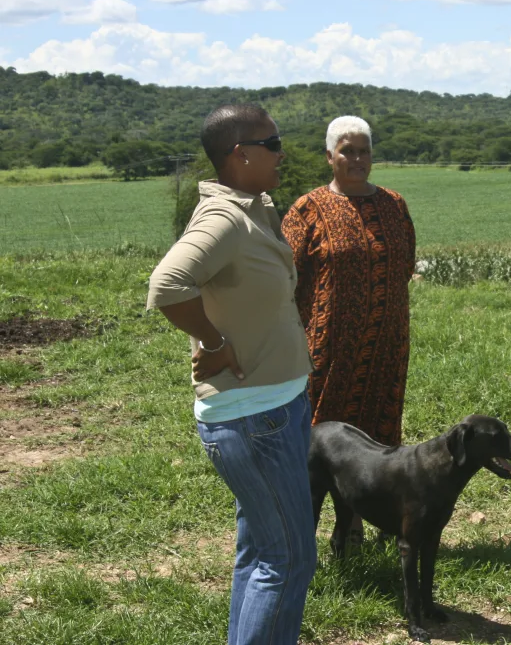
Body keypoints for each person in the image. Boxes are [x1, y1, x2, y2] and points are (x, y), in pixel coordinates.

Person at [147, 104, 317, 645]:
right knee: (288, 559)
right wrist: (215, 342)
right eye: (273, 142)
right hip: (253, 416)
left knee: (262, 552)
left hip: (273, 406)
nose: (282, 151)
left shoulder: (253, 206)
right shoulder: (224, 219)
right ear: (239, 154)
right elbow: (167, 284)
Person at [281, 115, 416, 548]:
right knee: (326, 438)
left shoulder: (394, 205)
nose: (357, 159)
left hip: (387, 345)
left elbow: (406, 266)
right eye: (347, 150)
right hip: (329, 348)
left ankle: (374, 521)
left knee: (379, 435)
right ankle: (314, 534)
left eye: (364, 151)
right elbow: (286, 275)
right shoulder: (308, 209)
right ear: (329, 156)